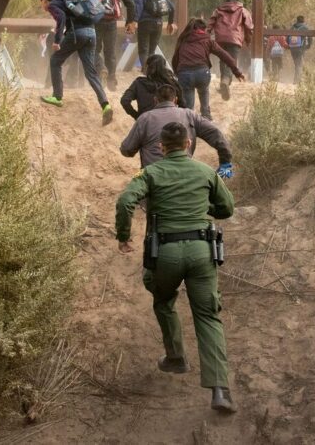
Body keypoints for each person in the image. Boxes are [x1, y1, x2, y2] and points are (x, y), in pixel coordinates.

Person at [115, 121, 238, 414]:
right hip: (201, 251)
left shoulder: (151, 173)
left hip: (165, 253)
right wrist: (203, 209)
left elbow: (125, 201)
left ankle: (176, 357)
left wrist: (123, 237)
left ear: (161, 147)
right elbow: (227, 209)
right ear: (188, 144)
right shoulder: (206, 171)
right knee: (208, 316)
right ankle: (220, 390)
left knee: (162, 297)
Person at [38, 0, 114, 125]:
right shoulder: (68, 1)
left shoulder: (53, 5)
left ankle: (57, 97)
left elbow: (61, 18)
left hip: (77, 34)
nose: (42, 5)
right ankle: (105, 105)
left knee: (55, 61)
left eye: (41, 2)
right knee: (90, 72)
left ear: (44, 0)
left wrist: (56, 41)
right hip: (91, 33)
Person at [120, 83, 232, 173]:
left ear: (155, 100)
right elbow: (215, 133)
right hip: (184, 175)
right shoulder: (190, 115)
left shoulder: (144, 119)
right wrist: (225, 162)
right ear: (175, 100)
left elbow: (127, 150)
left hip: (153, 178)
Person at [171, 18, 244, 120]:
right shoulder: (207, 40)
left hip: (185, 74)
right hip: (202, 73)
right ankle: (206, 116)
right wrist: (236, 72)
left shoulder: (183, 39)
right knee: (204, 90)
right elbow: (224, 55)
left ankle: (189, 123)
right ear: (203, 29)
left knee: (188, 108)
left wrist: (177, 74)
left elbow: (175, 58)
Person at [85, 0, 137, 90]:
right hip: (111, 23)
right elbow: (130, 3)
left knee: (94, 50)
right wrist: (130, 21)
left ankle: (101, 68)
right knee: (110, 52)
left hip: (95, 22)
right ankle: (112, 79)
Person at [208, 0, 253, 101]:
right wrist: (248, 40)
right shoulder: (243, 10)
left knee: (223, 61)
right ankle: (226, 81)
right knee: (231, 61)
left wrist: (205, 36)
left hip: (220, 39)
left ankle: (224, 82)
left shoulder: (218, 10)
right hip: (235, 39)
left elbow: (210, 25)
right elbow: (249, 27)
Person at [132, 0, 176, 71]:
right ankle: (151, 72)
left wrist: (134, 21)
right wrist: (170, 23)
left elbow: (138, 7)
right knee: (151, 51)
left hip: (145, 23)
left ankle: (146, 72)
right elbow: (172, 7)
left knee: (143, 51)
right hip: (158, 24)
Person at [120, 54, 183, 119]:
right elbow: (183, 106)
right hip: (168, 122)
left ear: (148, 67)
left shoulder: (139, 83)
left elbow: (124, 101)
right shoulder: (172, 84)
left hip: (146, 121)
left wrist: (137, 116)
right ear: (164, 67)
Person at [287, 15, 313, 84]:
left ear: (297, 20)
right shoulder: (305, 28)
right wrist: (309, 45)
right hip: (301, 48)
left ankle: (297, 80)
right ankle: (297, 81)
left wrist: (289, 46)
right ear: (303, 20)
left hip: (292, 48)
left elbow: (287, 37)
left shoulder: (292, 28)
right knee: (299, 64)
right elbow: (310, 37)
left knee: (296, 64)